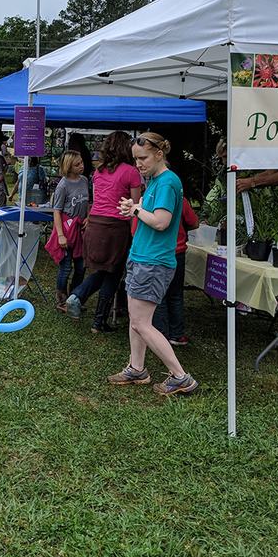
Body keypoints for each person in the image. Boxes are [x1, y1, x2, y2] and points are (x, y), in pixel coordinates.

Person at [111, 132, 198, 396]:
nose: (138, 163)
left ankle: (181, 376)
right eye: (136, 158)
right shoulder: (156, 181)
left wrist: (136, 210)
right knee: (137, 320)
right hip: (143, 258)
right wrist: (135, 207)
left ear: (160, 154)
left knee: (141, 323)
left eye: (143, 158)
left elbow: (161, 221)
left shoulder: (167, 182)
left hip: (153, 261)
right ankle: (137, 369)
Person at [64, 131, 142, 333]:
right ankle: (98, 320)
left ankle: (78, 296)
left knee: (103, 270)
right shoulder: (131, 172)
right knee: (113, 272)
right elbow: (135, 206)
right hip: (116, 226)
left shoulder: (98, 172)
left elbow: (97, 199)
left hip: (95, 224)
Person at [153, 188, 199, 345]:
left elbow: (135, 230)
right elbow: (194, 222)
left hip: (157, 252)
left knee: (159, 295)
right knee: (176, 294)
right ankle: (176, 334)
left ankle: (160, 335)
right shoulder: (180, 199)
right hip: (177, 250)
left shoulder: (149, 199)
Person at [45, 150, 89, 312]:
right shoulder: (63, 185)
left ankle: (75, 297)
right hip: (67, 229)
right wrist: (61, 235)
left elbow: (87, 202)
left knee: (81, 266)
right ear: (68, 166)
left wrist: (88, 217)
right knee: (66, 267)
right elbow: (56, 210)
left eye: (82, 163)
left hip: (80, 230)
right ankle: (61, 299)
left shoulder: (84, 180)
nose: (81, 166)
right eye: (77, 164)